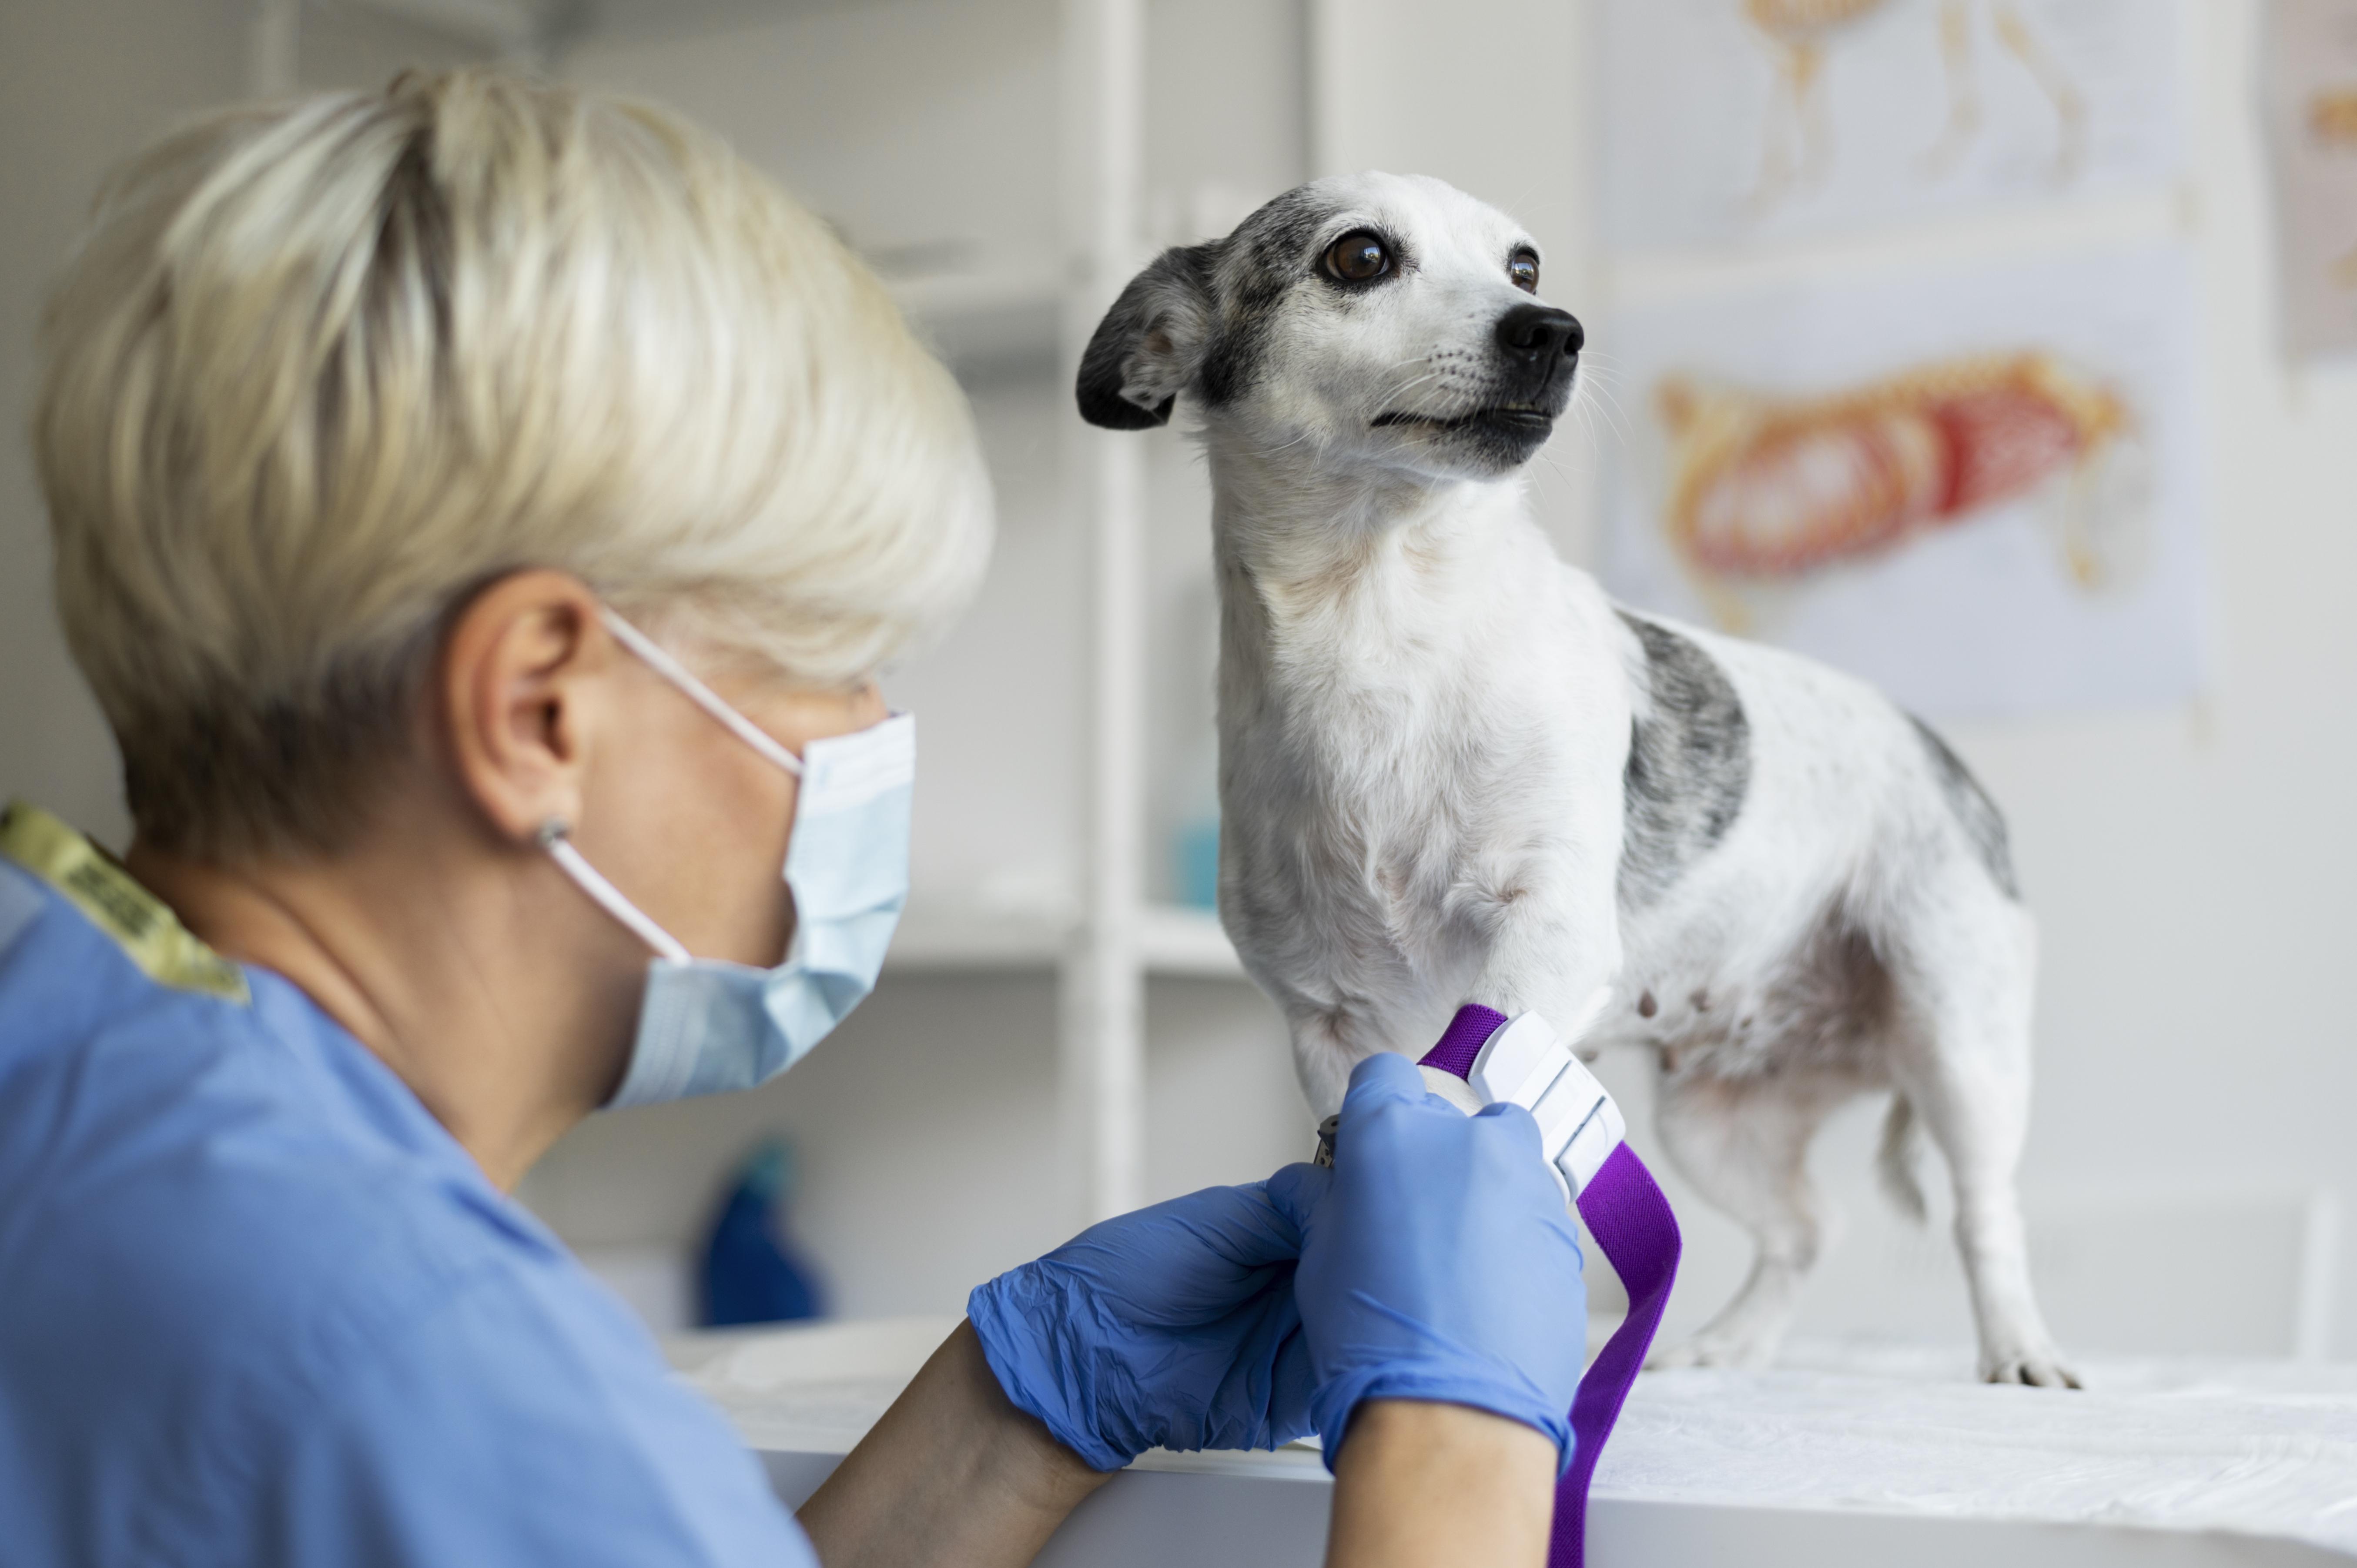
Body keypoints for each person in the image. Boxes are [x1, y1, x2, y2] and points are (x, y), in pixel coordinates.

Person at [0, 71, 1588, 1568]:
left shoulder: (62, 1050)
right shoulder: (428, 1391)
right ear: (540, 711)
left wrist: (1017, 1404)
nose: (872, 737)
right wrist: (1452, 1446)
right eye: (833, 663)